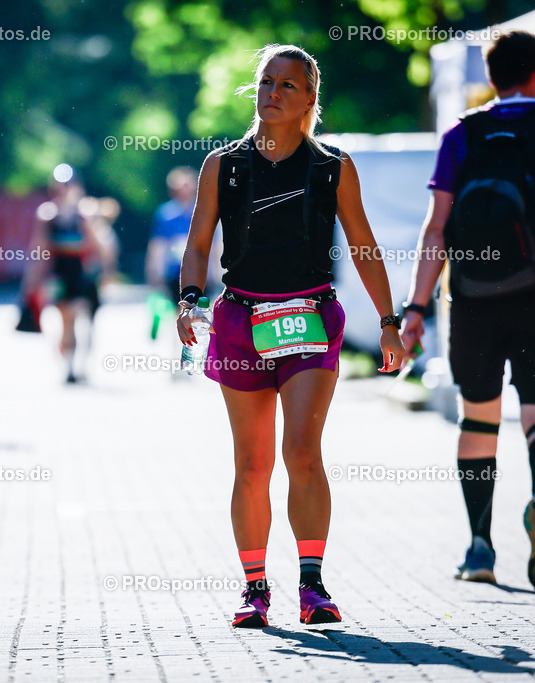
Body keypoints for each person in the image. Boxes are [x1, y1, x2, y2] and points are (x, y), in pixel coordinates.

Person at [177, 44, 405, 627]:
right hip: (240, 321)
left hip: (308, 316)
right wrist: (189, 300)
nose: (273, 92)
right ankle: (255, 590)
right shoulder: (222, 166)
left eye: (287, 84)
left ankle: (312, 585)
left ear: (309, 98)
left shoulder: (333, 166)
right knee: (251, 464)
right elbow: (200, 242)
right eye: (266, 81)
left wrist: (388, 323)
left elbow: (363, 245)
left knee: (302, 451)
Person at [401, 31, 535, 592]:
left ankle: (478, 548)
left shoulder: (460, 135)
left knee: (479, 419)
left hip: (472, 298)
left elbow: (437, 228)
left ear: (490, 78)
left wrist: (417, 307)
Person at [22, 165, 103, 384]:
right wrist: (32, 281)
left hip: (82, 274)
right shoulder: (48, 215)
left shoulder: (85, 213)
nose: (64, 190)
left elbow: (97, 245)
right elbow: (39, 249)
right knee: (66, 321)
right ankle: (69, 366)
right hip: (59, 274)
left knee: (82, 319)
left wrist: (103, 273)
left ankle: (81, 365)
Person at [146, 166, 197, 302]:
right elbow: (158, 245)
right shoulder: (166, 214)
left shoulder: (201, 212)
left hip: (199, 268)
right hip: (175, 271)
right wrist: (155, 272)